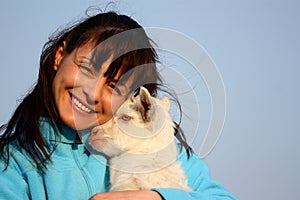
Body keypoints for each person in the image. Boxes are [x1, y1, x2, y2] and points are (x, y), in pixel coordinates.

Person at [0, 11, 236, 200]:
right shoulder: (12, 164)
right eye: (86, 69)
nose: (91, 93)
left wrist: (153, 197)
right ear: (59, 56)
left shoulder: (158, 150)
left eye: (113, 86)